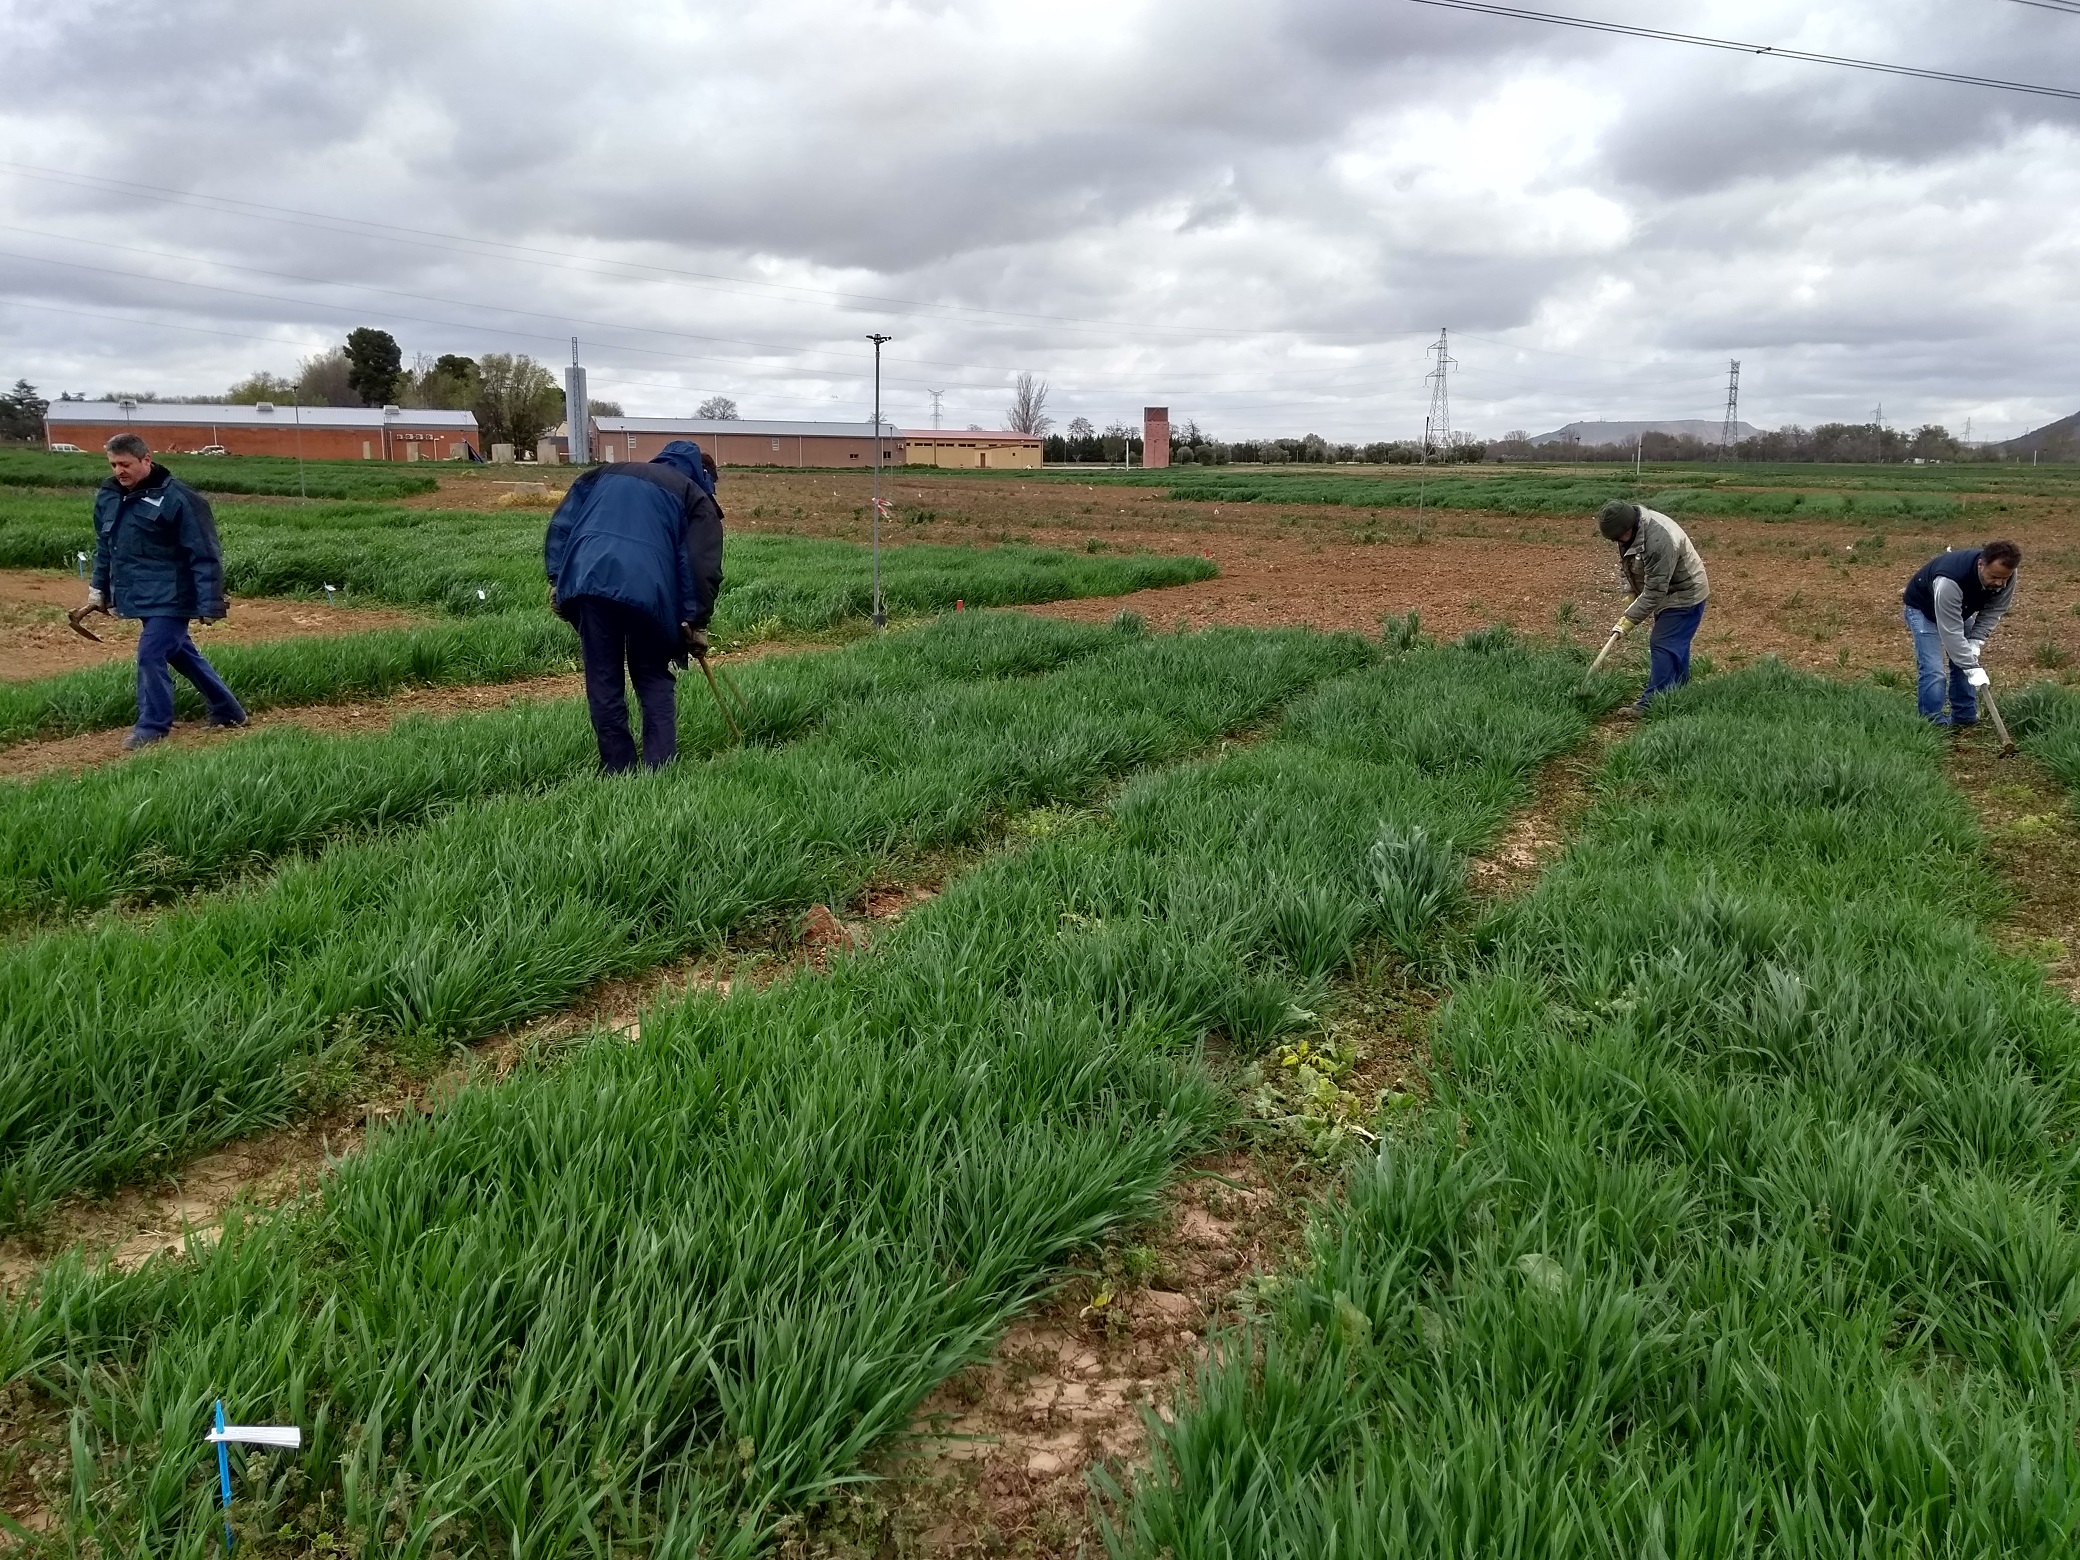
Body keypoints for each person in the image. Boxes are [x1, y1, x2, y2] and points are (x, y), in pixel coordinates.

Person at [545, 439, 725, 772]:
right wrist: (695, 621)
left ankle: (618, 770)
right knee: (652, 675)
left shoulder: (604, 474)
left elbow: (561, 526)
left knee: (603, 679)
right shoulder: (694, 495)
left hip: (589, 583)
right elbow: (700, 566)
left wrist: (557, 579)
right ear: (703, 474)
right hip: (649, 594)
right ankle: (660, 770)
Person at [86, 432, 247, 750]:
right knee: (181, 654)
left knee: (151, 653)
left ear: (146, 459)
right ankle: (228, 710)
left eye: (126, 464)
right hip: (140, 595)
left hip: (175, 595)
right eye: (114, 464)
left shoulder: (179, 498)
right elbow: (107, 546)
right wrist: (98, 587)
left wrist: (209, 602)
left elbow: (204, 552)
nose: (119, 471)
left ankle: (152, 726)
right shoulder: (108, 496)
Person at [1596, 499, 1710, 711]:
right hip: (1667, 593)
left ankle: (1651, 703)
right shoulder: (1627, 535)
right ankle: (1677, 689)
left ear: (1630, 526)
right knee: (1675, 643)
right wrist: (1629, 593)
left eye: (1619, 537)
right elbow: (1627, 565)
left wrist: (1628, 620)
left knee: (1662, 642)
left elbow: (1656, 590)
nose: (1618, 542)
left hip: (1684, 594)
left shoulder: (1659, 541)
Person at [1901, 540, 2020, 728]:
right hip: (1923, 610)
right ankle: (1932, 723)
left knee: (1965, 658)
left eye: (2004, 578)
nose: (1999, 583)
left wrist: (1976, 640)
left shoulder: (2006, 575)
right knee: (1934, 670)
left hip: (1958, 609)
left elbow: (1995, 609)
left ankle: (1964, 716)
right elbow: (1951, 632)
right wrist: (1971, 666)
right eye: (1994, 576)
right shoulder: (1950, 579)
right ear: (1981, 565)